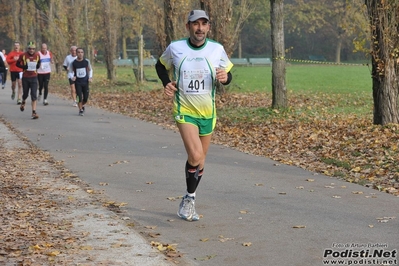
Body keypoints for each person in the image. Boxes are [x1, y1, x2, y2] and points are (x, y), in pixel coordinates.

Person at [155, 10, 233, 221]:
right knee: (196, 155)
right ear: (188, 26)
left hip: (208, 113)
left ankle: (189, 200)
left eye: (203, 24)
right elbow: (160, 66)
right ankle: (189, 198)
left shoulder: (217, 49)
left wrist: (225, 78)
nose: (200, 28)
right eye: (195, 24)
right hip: (185, 110)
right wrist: (166, 83)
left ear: (208, 27)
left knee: (200, 160)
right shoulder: (176, 48)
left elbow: (228, 75)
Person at [16, 41, 41, 119]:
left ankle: (34, 112)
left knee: (34, 95)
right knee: (26, 94)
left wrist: (37, 66)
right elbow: (17, 64)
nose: (31, 50)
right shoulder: (23, 55)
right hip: (26, 77)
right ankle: (23, 101)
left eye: (33, 49)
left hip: (34, 77)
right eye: (30, 49)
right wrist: (24, 67)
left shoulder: (37, 55)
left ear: (35, 49)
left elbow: (39, 63)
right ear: (28, 49)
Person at [68, 48, 93, 116]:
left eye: (82, 52)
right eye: (78, 52)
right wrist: (72, 77)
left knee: (85, 98)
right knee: (79, 97)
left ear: (83, 53)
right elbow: (70, 72)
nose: (80, 53)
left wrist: (90, 77)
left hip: (85, 82)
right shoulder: (73, 63)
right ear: (76, 53)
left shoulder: (86, 61)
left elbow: (90, 70)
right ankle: (80, 110)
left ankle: (82, 105)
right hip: (78, 82)